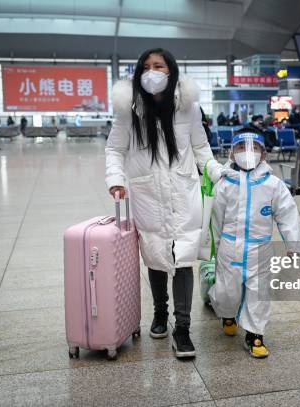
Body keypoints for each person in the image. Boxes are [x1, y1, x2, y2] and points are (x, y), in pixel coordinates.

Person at [105, 48, 224, 359]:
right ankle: (160, 313)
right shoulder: (128, 110)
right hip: (147, 195)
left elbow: (201, 148)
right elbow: (114, 150)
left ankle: (182, 329)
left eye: (158, 66)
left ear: (171, 71)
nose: (151, 72)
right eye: (145, 66)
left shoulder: (188, 109)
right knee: (156, 254)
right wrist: (115, 179)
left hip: (184, 193)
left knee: (183, 256)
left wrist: (216, 171)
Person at [209, 129, 300, 358]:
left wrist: (295, 245)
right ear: (231, 153)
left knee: (258, 293)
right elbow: (215, 220)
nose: (248, 153)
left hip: (260, 250)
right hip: (229, 249)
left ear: (264, 154)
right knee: (226, 292)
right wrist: (214, 247)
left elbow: (288, 214)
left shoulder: (273, 185)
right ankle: (228, 314)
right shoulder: (224, 184)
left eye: (255, 148)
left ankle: (255, 334)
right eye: (242, 147)